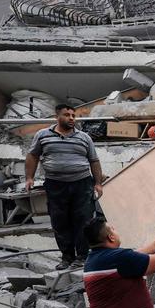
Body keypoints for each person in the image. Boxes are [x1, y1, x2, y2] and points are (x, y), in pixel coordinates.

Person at [25, 104, 104, 270]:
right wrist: (29, 178)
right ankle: (67, 257)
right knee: (60, 221)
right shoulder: (43, 135)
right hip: (55, 185)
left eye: (73, 115)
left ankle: (82, 257)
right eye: (67, 115)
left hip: (82, 184)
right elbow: (33, 156)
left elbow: (94, 161)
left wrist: (97, 183)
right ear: (57, 116)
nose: (71, 118)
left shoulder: (84, 137)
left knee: (83, 220)